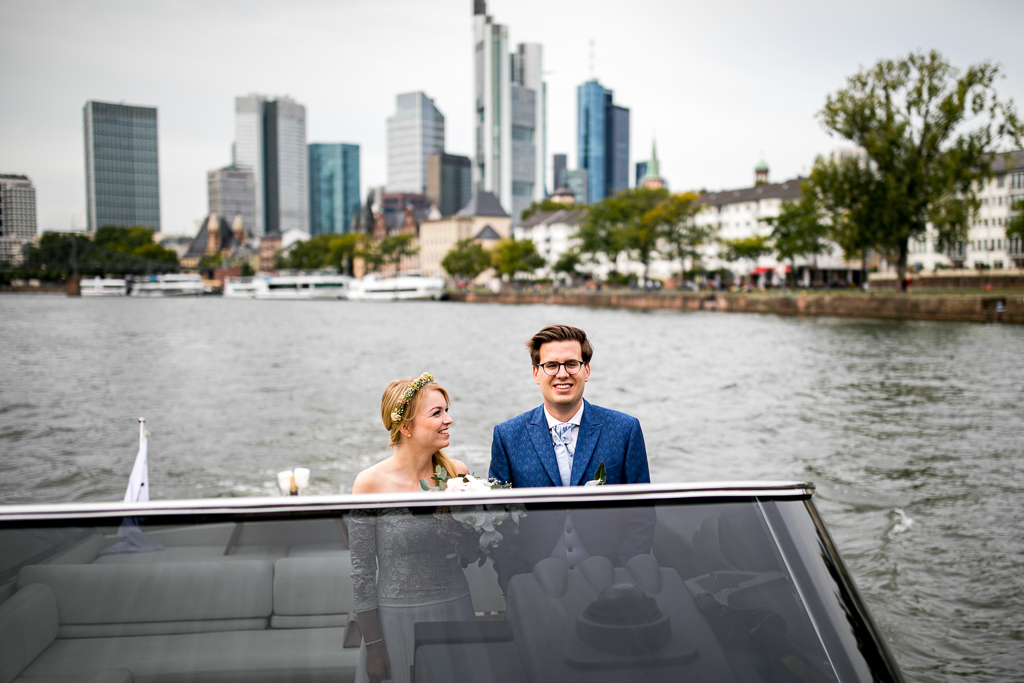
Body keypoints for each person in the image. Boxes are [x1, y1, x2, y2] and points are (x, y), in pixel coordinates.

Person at [488, 324, 655, 591]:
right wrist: (517, 583)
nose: (562, 374)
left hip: (612, 584)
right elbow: (500, 523)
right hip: (535, 584)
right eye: (551, 365)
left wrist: (623, 577)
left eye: (571, 364)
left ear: (586, 370)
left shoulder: (625, 429)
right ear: (536, 373)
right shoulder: (507, 436)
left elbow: (642, 516)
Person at [350, 374, 475, 683]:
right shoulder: (369, 484)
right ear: (405, 427)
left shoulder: (457, 474)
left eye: (446, 410)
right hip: (398, 621)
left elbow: (468, 552)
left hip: (455, 609)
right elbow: (362, 571)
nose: (449, 419)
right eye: (437, 413)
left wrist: (477, 536)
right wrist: (375, 646)